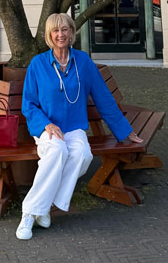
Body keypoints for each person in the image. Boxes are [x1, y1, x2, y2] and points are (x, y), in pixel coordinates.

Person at [16, 12, 143, 240]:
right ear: (49, 35)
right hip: (48, 129)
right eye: (55, 30)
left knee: (83, 154)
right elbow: (29, 104)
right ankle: (29, 213)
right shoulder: (38, 64)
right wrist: (46, 125)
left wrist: (125, 131)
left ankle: (43, 207)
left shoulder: (83, 62)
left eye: (65, 29)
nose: (60, 34)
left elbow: (104, 98)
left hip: (74, 127)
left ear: (72, 32)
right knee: (56, 150)